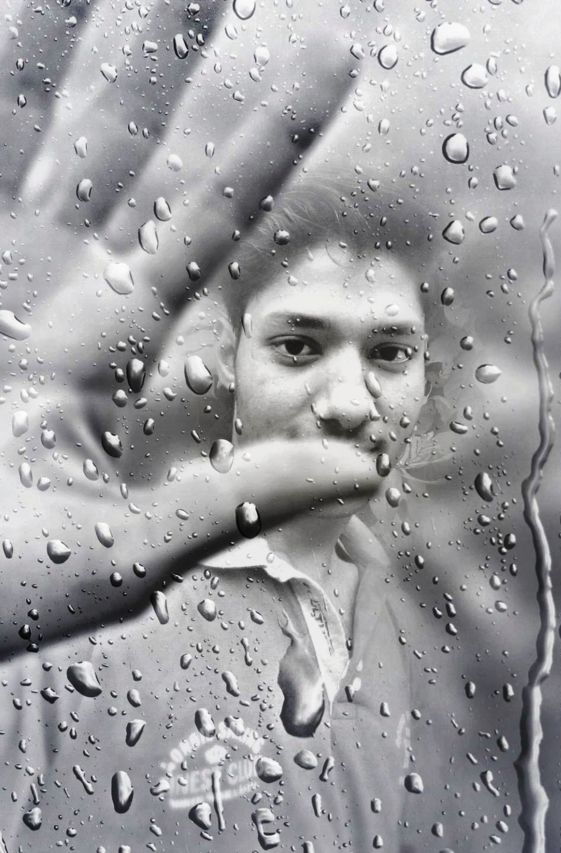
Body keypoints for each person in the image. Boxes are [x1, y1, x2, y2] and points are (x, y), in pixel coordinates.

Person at [1, 182, 445, 851]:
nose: (349, 404)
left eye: (388, 354)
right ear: (230, 355)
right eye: (297, 346)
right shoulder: (72, 613)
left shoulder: (413, 618)